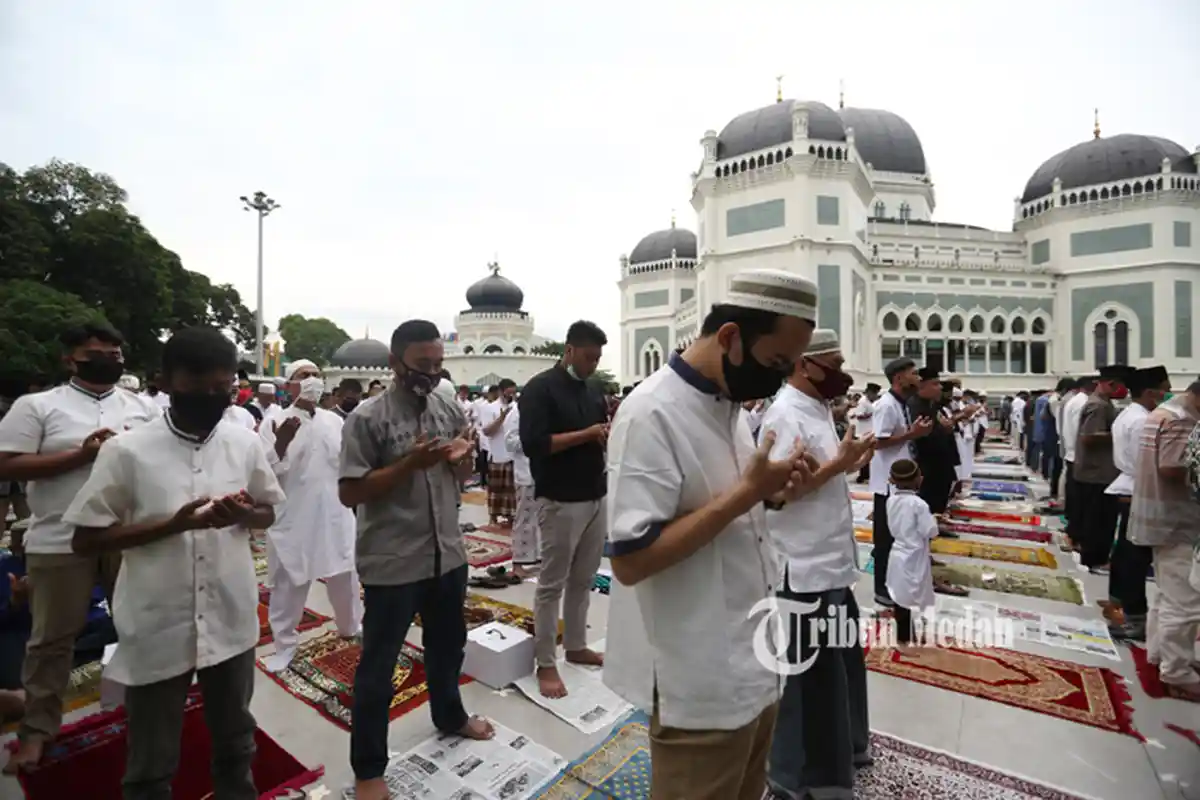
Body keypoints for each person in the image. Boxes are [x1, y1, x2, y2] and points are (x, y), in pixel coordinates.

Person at [603, 269, 819, 800]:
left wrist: (775, 491)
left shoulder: (728, 408)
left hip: (754, 663)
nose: (780, 378)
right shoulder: (652, 414)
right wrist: (749, 493)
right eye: (774, 363)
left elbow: (727, 507)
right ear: (729, 337)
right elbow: (632, 561)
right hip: (698, 678)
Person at [62, 325, 284, 797]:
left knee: (236, 740)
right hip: (158, 621)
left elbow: (268, 507)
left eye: (222, 386)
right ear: (164, 381)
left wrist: (245, 513)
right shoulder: (127, 451)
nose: (211, 395)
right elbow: (85, 539)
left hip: (230, 615)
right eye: (196, 383)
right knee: (152, 759)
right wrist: (173, 526)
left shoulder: (242, 443)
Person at [338, 320, 490, 800]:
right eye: (422, 364)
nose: (432, 372)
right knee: (379, 667)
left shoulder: (446, 405)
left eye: (438, 363)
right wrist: (409, 465)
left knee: (448, 648)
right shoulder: (368, 418)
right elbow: (351, 492)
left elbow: (460, 474)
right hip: (393, 562)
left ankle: (450, 716)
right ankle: (368, 769)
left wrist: (462, 458)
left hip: (447, 554)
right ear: (394, 363)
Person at [0, 321, 159, 773]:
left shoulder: (140, 408)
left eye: (115, 352)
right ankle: (36, 732)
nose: (109, 359)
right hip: (60, 538)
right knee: (51, 640)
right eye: (97, 352)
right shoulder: (39, 407)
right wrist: (80, 456)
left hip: (128, 534)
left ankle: (143, 716)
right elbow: (6, 463)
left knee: (140, 628)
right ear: (70, 358)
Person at [759, 329, 874, 800]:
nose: (842, 371)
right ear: (806, 364)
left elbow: (821, 477)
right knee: (805, 682)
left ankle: (846, 751)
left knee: (841, 667)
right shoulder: (784, 415)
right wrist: (839, 465)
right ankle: (795, 776)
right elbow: (777, 496)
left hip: (830, 561)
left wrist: (846, 463)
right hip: (802, 566)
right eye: (836, 361)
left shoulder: (820, 410)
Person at [519, 321, 609, 698]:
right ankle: (545, 662)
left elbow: (599, 430)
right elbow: (535, 444)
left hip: (594, 495)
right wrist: (587, 435)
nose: (593, 364)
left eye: (598, 358)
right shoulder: (540, 389)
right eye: (589, 357)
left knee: (583, 578)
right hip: (560, 499)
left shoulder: (591, 389)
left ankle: (575, 645)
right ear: (570, 350)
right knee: (552, 584)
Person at [258, 361, 362, 672]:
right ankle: (284, 645)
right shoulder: (274, 420)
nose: (313, 381)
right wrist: (282, 442)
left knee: (345, 575)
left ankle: (350, 627)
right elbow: (263, 472)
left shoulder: (334, 421)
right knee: (290, 582)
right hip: (294, 515)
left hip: (335, 512)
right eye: (304, 376)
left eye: (317, 375)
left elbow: (347, 462)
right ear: (289, 385)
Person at [1128, 380, 1200, 701]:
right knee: (1185, 601)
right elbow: (1172, 466)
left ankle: (1159, 656)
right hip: (1176, 521)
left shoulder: (1160, 413)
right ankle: (1177, 673)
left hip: (1159, 517)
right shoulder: (1181, 419)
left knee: (1167, 594)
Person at [1105, 366, 1168, 641]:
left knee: (1126, 551)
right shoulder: (1143, 420)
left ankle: (1118, 602)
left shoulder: (1128, 415)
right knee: (1135, 557)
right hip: (1139, 488)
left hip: (1128, 485)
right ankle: (1134, 616)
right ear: (1152, 392)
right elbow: (1148, 462)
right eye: (1165, 389)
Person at [869, 358, 933, 608]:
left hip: (899, 482)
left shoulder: (900, 404)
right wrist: (912, 434)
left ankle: (896, 584)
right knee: (885, 540)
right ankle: (881, 590)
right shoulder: (886, 405)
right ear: (898, 378)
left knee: (900, 537)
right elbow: (878, 442)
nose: (918, 378)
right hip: (887, 484)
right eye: (913, 374)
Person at [1073, 366, 1132, 573]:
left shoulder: (1103, 403)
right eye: (1122, 385)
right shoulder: (1098, 406)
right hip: (1096, 472)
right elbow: (1089, 437)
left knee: (1098, 519)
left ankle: (1094, 556)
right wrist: (1119, 434)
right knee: (1099, 521)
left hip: (1096, 471)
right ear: (1111, 384)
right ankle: (1094, 559)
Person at [885, 458, 938, 645]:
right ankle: (912, 637)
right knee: (917, 596)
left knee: (900, 597)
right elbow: (930, 531)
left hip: (897, 553)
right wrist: (935, 520)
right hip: (915, 556)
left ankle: (904, 636)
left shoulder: (891, 501)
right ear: (919, 479)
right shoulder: (919, 505)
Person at [908, 372, 960, 516]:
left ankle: (937, 522)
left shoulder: (932, 404)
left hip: (940, 459)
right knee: (929, 499)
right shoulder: (915, 405)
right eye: (935, 384)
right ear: (922, 386)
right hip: (928, 462)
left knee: (941, 495)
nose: (940, 387)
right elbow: (921, 434)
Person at [502, 400, 540, 577]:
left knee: (543, 520)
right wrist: (536, 441)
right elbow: (510, 442)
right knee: (524, 519)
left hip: (544, 474)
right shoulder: (517, 412)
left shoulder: (543, 409)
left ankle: (537, 559)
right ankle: (518, 564)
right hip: (526, 474)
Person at [479, 379, 518, 526]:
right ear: (501, 392)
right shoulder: (489, 408)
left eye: (513, 393)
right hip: (496, 453)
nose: (511, 396)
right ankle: (493, 517)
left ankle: (510, 516)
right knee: (496, 488)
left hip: (512, 454)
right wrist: (501, 418)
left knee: (511, 490)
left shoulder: (516, 407)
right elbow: (487, 431)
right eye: (508, 393)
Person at [1060, 377, 1093, 548]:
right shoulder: (1083, 403)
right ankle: (1075, 535)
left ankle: (1073, 532)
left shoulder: (1075, 401)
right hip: (1079, 456)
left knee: (1076, 498)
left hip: (1073, 453)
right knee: (1080, 501)